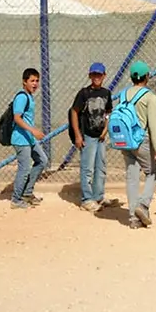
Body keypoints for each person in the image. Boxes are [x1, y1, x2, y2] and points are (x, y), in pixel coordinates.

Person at [118, 61, 156, 229]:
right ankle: (143, 205)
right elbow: (153, 124)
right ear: (147, 76)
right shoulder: (149, 96)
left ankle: (133, 219)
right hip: (141, 140)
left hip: (125, 139)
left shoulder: (123, 95)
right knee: (152, 173)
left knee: (132, 177)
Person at [69, 62, 113, 213]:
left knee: (100, 168)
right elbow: (74, 112)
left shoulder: (106, 93)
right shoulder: (84, 93)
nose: (96, 77)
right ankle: (87, 199)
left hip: (100, 136)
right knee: (87, 168)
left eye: (99, 75)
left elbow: (108, 112)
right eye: (94, 74)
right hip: (87, 135)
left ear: (104, 76)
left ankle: (98, 196)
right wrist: (78, 135)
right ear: (89, 76)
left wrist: (106, 129)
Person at [10, 68, 50, 210]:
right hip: (21, 139)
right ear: (24, 82)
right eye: (32, 81)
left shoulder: (29, 96)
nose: (35, 84)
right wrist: (33, 130)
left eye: (37, 81)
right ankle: (16, 199)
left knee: (42, 160)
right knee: (24, 168)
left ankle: (27, 193)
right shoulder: (22, 97)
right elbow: (17, 118)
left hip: (29, 139)